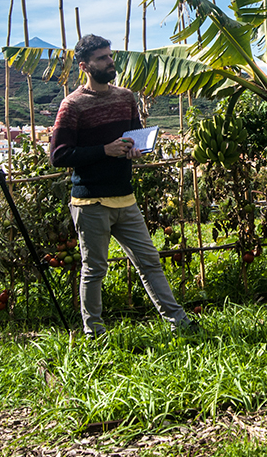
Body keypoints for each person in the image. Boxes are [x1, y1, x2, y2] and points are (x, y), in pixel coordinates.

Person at [50, 34, 193, 338]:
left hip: (124, 198)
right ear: (84, 65)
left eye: (110, 56)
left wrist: (134, 148)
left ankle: (178, 321)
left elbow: (135, 137)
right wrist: (105, 149)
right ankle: (94, 333)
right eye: (102, 58)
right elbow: (59, 156)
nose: (110, 62)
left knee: (150, 262)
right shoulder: (72, 105)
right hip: (91, 202)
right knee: (94, 270)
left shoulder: (126, 97)